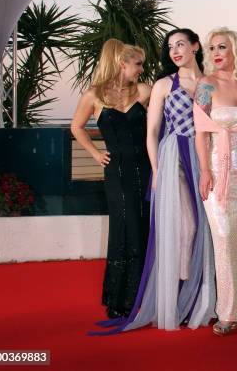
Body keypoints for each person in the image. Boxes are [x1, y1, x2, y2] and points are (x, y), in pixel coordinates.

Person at [91, 29, 217, 335]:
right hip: (172, 156)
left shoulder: (206, 84)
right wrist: (158, 169)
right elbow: (152, 131)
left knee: (206, 228)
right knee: (182, 226)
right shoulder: (163, 85)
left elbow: (207, 127)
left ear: (195, 47)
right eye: (170, 46)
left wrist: (209, 165)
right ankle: (177, 295)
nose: (174, 51)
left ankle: (199, 298)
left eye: (181, 45)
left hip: (202, 157)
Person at [71, 39, 151, 319]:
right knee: (124, 228)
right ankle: (119, 298)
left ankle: (143, 296)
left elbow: (158, 128)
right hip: (116, 171)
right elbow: (76, 127)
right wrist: (94, 153)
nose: (142, 69)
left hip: (147, 169)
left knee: (144, 228)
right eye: (138, 64)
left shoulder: (144, 91)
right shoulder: (93, 95)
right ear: (122, 63)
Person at [193, 27, 237, 335]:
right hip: (219, 173)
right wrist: (204, 171)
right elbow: (199, 132)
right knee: (223, 238)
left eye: (222, 47)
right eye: (212, 48)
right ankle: (227, 310)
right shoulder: (205, 84)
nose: (216, 53)